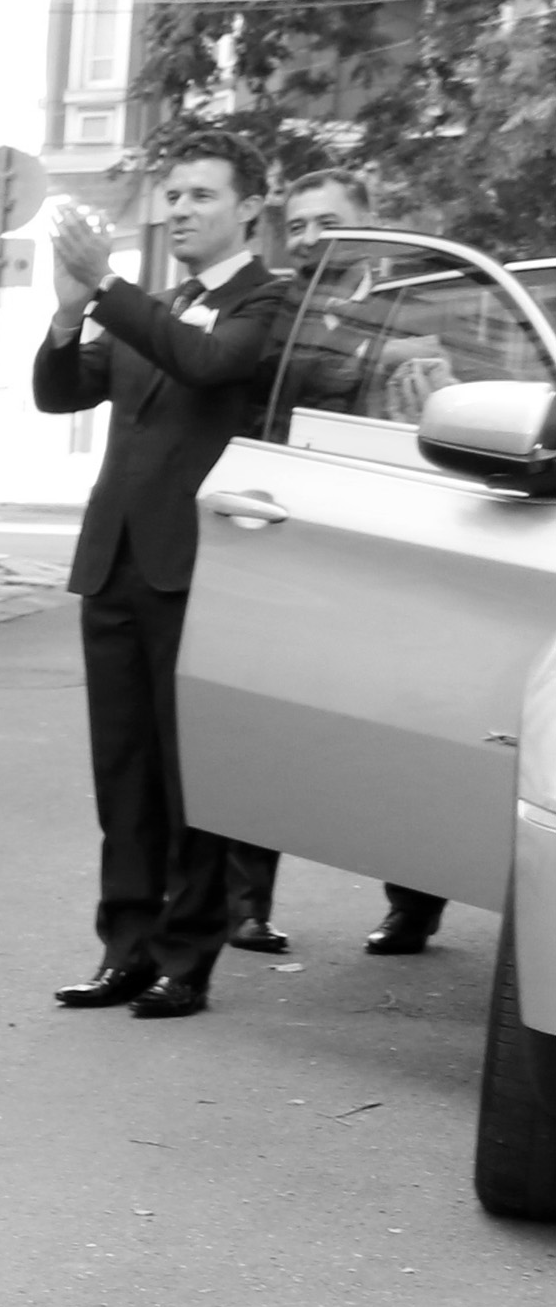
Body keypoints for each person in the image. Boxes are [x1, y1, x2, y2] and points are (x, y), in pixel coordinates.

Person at [35, 131, 302, 1020]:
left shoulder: (265, 300)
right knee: (122, 774)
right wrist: (68, 313)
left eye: (200, 195)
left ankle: (185, 959)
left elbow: (208, 364)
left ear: (248, 209)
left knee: (191, 777)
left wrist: (106, 289)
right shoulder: (154, 306)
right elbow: (60, 393)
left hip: (199, 570)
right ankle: (124, 949)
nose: (179, 210)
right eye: (174, 195)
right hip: (112, 563)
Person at [221, 168, 451, 957]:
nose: (310, 238)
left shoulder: (416, 312)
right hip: (283, 541)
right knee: (262, 721)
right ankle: (244, 904)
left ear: (368, 227)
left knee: (399, 732)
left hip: (384, 550)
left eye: (328, 222)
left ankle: (412, 901)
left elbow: (440, 417)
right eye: (297, 225)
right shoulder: (271, 312)